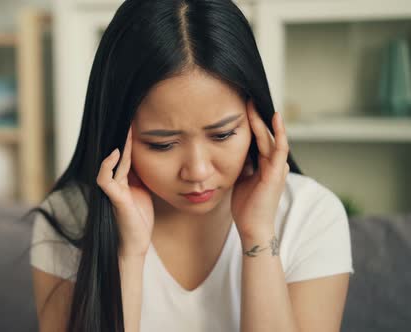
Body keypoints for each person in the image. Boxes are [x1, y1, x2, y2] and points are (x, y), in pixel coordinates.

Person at [28, 0, 354, 331]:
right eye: (162, 144)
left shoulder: (311, 215)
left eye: (223, 134)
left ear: (256, 119)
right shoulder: (67, 219)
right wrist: (129, 256)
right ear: (117, 133)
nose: (197, 171)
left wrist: (258, 233)